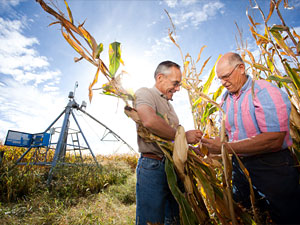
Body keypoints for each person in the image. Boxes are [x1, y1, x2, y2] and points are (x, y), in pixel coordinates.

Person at [201, 52, 300, 224]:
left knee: (285, 216)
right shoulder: (225, 100)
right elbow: (226, 138)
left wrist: (225, 148)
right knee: (244, 214)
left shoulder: (264, 91)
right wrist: (204, 148)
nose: (223, 83)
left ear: (241, 68)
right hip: (240, 167)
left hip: (271, 166)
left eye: (226, 77)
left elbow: (273, 140)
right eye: (220, 79)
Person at [135, 60, 203, 225]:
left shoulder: (169, 106)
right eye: (175, 83)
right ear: (160, 78)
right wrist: (184, 137)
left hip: (173, 166)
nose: (178, 88)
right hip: (154, 165)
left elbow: (172, 140)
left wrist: (190, 150)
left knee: (173, 219)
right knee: (151, 221)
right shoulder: (145, 93)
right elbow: (149, 121)